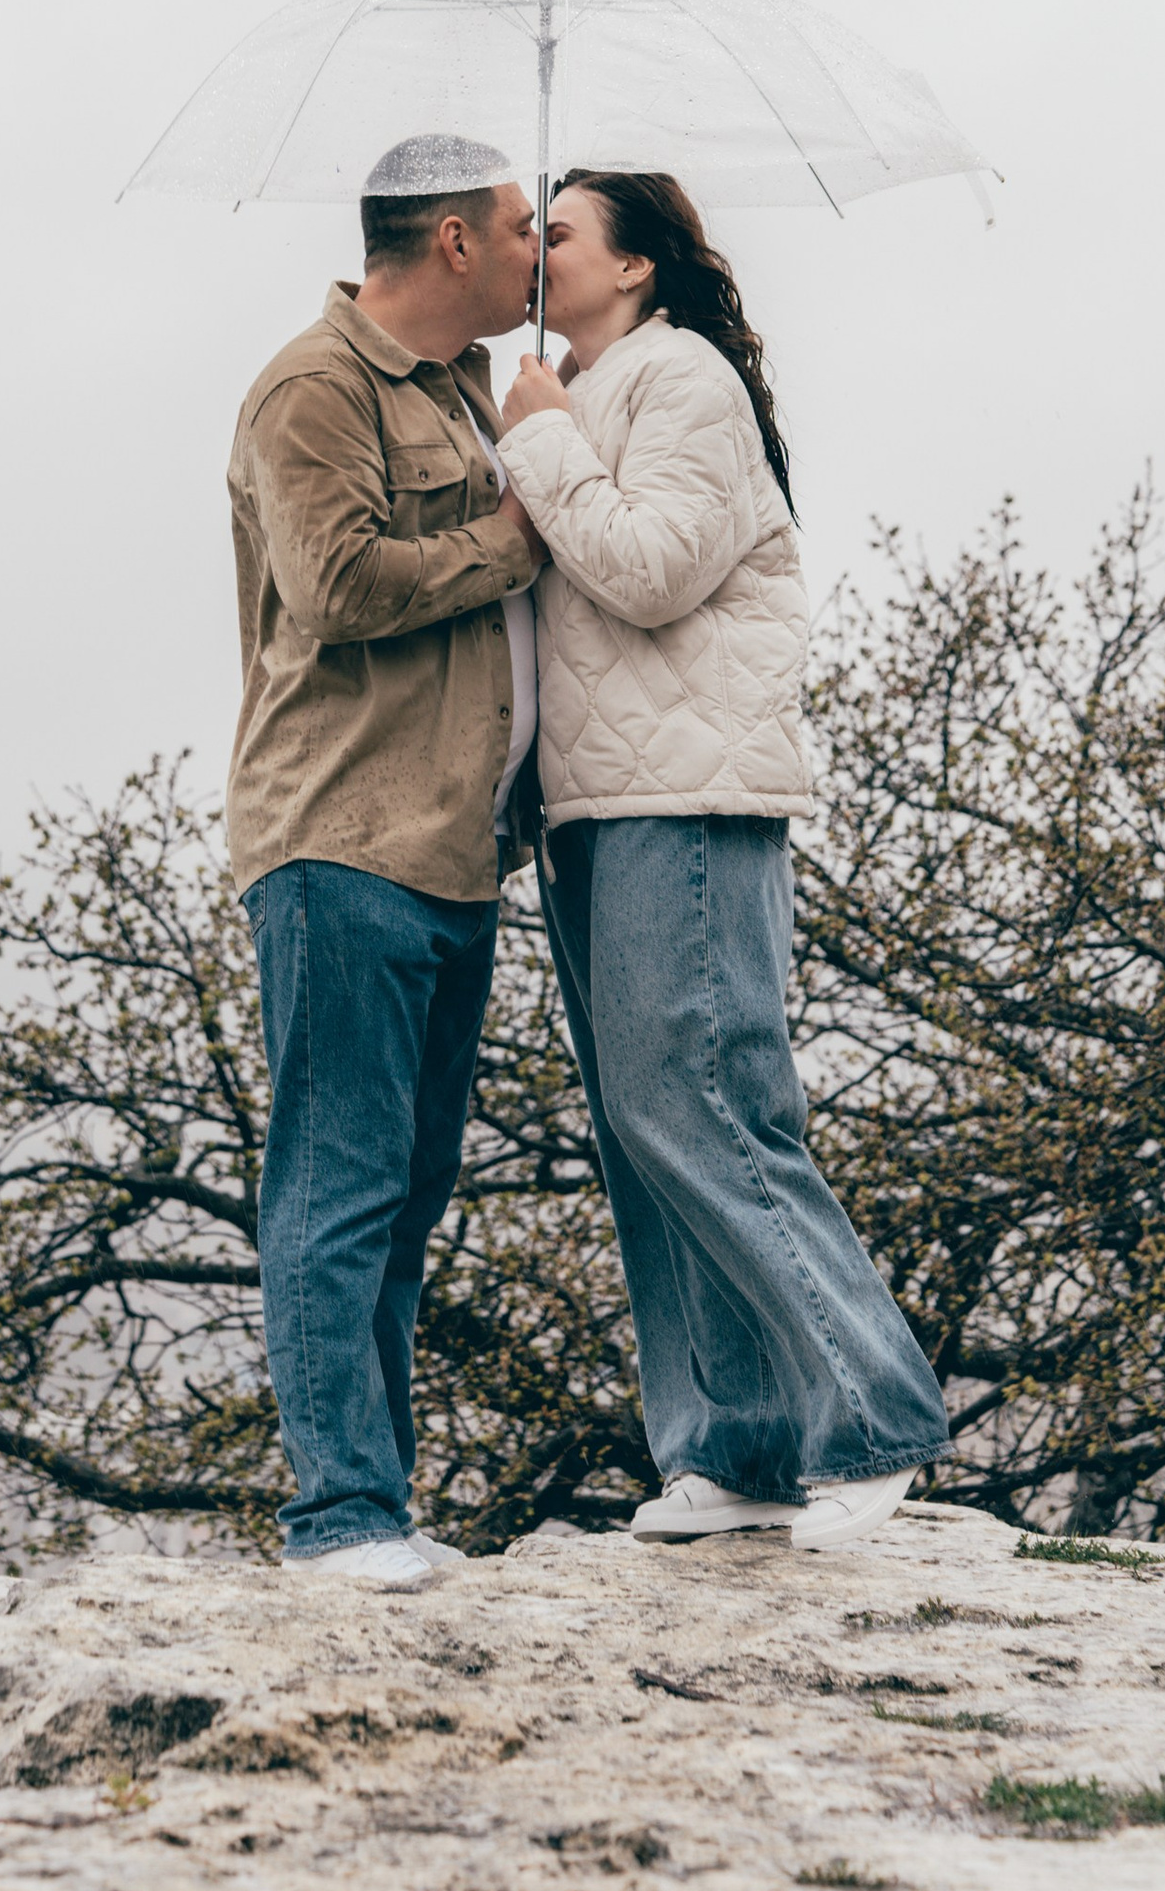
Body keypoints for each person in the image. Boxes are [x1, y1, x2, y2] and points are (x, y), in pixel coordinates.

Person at [495, 169, 950, 1553]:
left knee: (706, 1102)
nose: (533, 254)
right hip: (600, 804)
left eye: (556, 234)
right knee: (651, 1133)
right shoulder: (589, 387)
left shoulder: (679, 378)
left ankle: (873, 1418)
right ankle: (734, 1449)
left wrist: (541, 443)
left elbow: (652, 568)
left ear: (634, 269)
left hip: (682, 800)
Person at [227, 135, 545, 1589]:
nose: (542, 250)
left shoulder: (470, 395)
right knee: (336, 1182)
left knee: (409, 1194)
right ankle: (340, 1516)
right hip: (340, 838)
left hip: (449, 850)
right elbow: (339, 585)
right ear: (456, 243)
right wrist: (511, 534)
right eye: (524, 228)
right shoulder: (315, 389)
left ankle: (383, 1508)